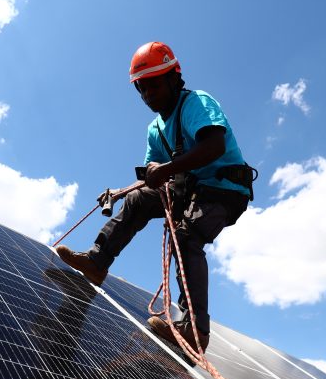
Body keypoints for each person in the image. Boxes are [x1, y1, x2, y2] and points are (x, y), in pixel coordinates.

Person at [55, 41, 253, 353]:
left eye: (154, 86)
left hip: (223, 190)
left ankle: (195, 331)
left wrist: (168, 169)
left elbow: (213, 145)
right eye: (141, 90)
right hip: (187, 192)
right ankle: (97, 261)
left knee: (186, 238)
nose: (148, 96)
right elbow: (153, 176)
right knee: (138, 200)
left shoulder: (196, 104)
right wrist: (124, 190)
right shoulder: (155, 129)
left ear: (175, 77)